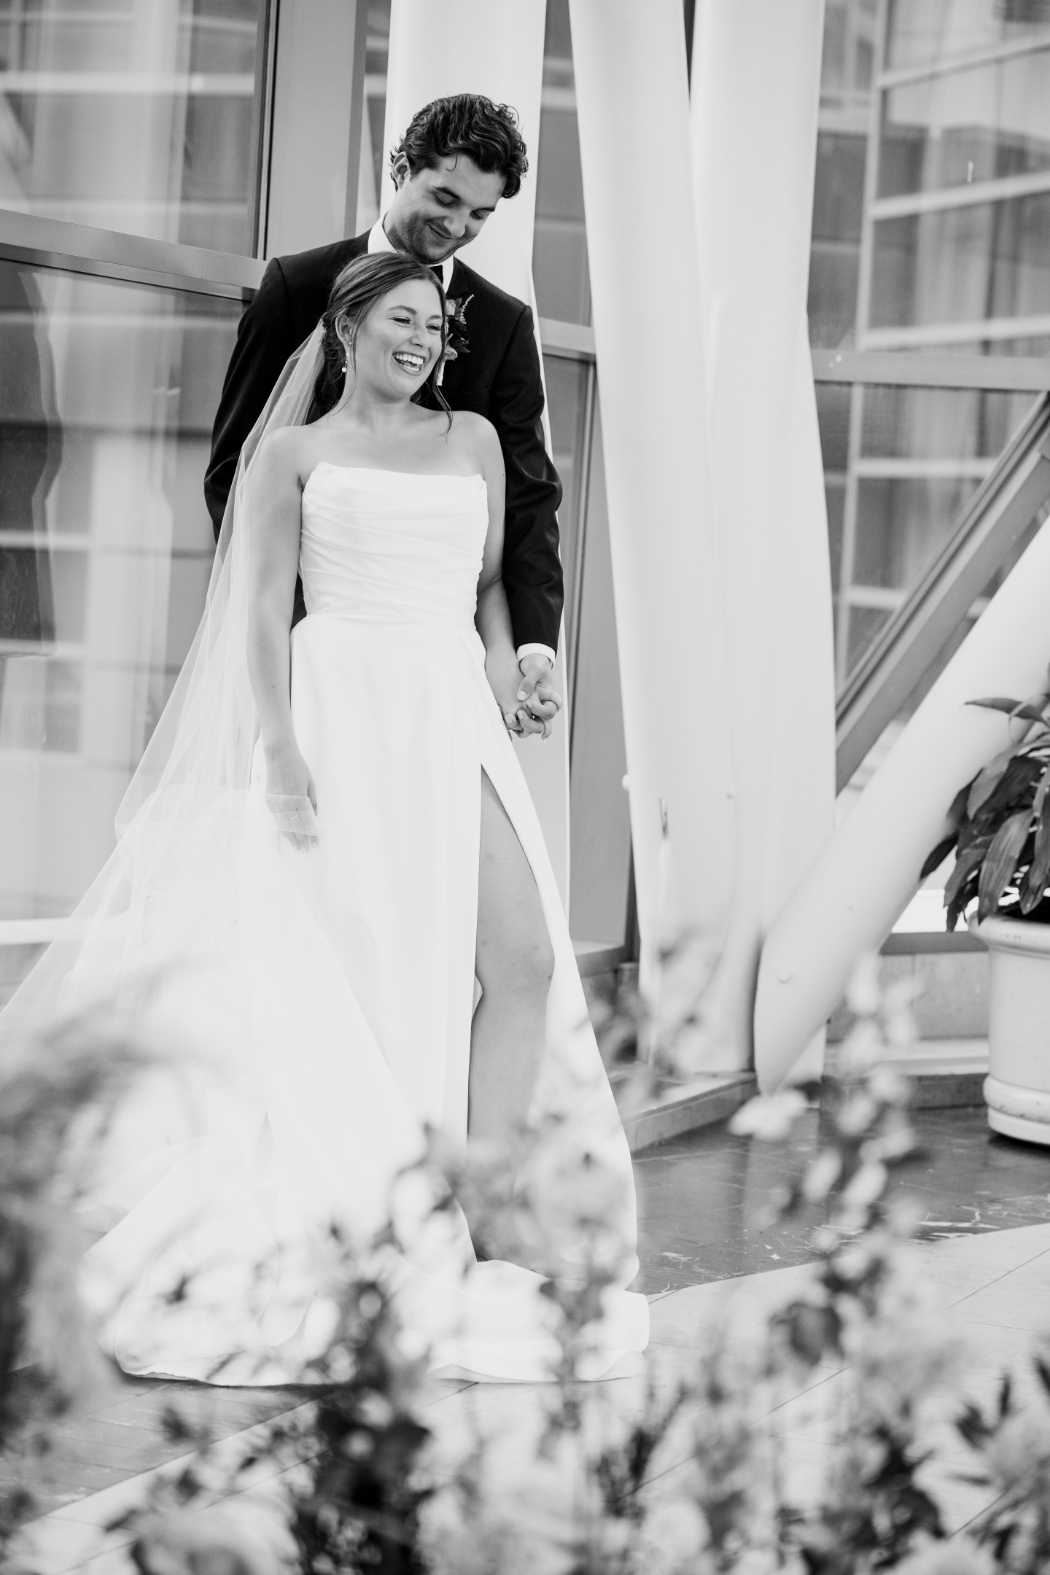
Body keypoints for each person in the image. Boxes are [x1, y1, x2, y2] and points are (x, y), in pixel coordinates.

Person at [4, 252, 648, 1385]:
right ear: (345, 330)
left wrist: (512, 677)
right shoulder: (290, 454)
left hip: (449, 704)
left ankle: (485, 1211)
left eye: (435, 326)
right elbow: (258, 611)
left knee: (525, 958)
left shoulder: (475, 444)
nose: (423, 340)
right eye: (401, 319)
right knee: (357, 962)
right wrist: (280, 750)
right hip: (339, 710)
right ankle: (393, 1196)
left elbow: (492, 582)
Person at [206, 93, 561, 745]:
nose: (457, 227)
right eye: (445, 199)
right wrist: (299, 641)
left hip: (442, 673)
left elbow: (529, 501)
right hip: (315, 658)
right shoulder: (295, 286)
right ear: (402, 169)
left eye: (480, 214)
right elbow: (233, 472)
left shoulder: (503, 322)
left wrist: (530, 648)